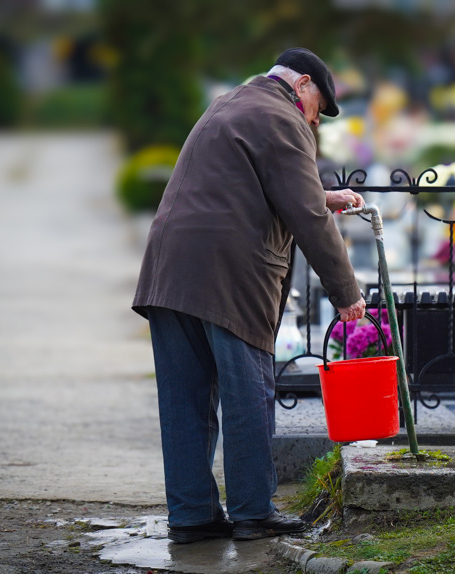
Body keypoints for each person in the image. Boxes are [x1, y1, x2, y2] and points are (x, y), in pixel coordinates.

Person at [132, 47, 366, 543]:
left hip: (170, 269)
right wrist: (346, 292)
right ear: (303, 85)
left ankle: (192, 516)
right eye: (317, 109)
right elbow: (306, 217)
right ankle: (253, 512)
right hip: (230, 274)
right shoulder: (281, 117)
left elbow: (243, 182)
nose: (315, 122)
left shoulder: (232, 103)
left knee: (185, 398)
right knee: (247, 396)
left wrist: (323, 194)